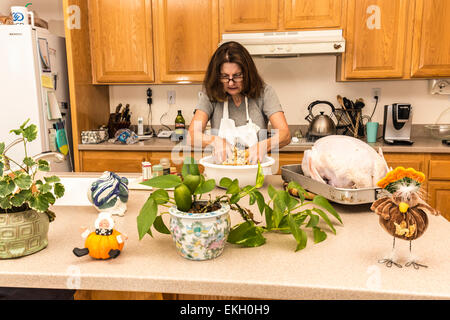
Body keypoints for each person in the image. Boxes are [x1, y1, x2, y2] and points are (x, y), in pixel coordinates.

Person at [188, 41, 291, 164]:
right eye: (225, 76)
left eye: (237, 76)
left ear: (248, 74)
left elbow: (285, 134)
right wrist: (215, 141)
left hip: (255, 175)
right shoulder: (210, 94)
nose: (231, 83)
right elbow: (192, 136)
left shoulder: (264, 92)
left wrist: (264, 145)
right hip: (221, 174)